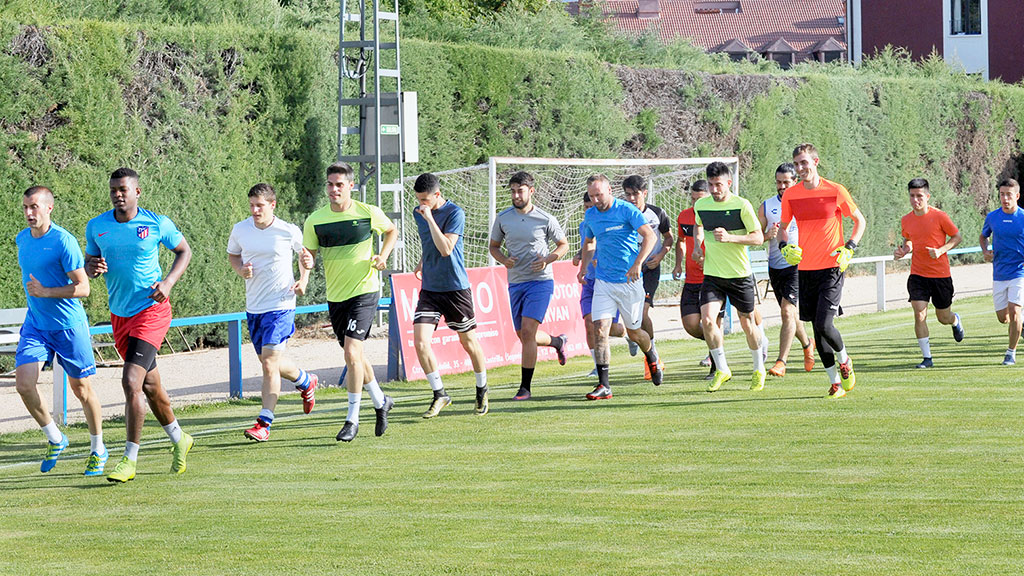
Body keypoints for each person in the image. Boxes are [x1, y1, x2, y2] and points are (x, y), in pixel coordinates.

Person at [85, 167, 194, 482]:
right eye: (113, 190)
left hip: (151, 310)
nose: (118, 194)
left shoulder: (156, 223)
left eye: (123, 189)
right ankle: (179, 438)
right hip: (120, 315)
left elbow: (184, 250)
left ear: (137, 192)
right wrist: (91, 266)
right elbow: (91, 264)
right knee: (150, 385)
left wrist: (169, 282)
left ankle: (129, 460)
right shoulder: (97, 227)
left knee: (131, 382)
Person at [15, 186, 106, 476]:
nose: (29, 213)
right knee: (24, 384)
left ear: (49, 208)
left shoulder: (63, 241)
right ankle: (56, 438)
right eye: (26, 207)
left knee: (81, 389)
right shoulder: (21, 240)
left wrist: (45, 292)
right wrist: (38, 299)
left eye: (35, 207)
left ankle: (98, 448)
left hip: (69, 327)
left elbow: (83, 288)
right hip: (36, 325)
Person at [303, 162, 398, 441]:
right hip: (336, 296)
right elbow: (308, 253)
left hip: (364, 291)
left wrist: (383, 256)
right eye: (330, 184)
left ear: (351, 186)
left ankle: (352, 419)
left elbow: (391, 231)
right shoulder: (315, 220)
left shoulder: (368, 213)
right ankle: (381, 401)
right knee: (354, 355)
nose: (334, 189)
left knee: (352, 353)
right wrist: (306, 267)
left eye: (339, 185)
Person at [228, 183, 319, 442]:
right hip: (254, 306)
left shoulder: (287, 230)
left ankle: (264, 422)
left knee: (269, 363)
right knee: (271, 363)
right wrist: (240, 270)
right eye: (252, 205)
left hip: (281, 304)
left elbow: (305, 256)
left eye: (260, 205)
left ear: (272, 205)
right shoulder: (240, 229)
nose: (255, 210)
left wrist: (304, 279)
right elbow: (233, 255)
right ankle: (305, 381)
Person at [778, 143, 867, 398]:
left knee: (824, 324)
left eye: (804, 163)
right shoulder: (791, 195)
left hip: (832, 267)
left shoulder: (835, 190)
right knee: (817, 330)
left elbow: (860, 221)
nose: (800, 168)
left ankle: (845, 359)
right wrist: (785, 246)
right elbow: (783, 228)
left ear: (815, 162)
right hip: (805, 269)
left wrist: (849, 247)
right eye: (796, 164)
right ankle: (835, 384)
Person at [577, 174, 661, 401]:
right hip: (603, 281)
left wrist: (638, 264)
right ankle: (604, 385)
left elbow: (650, 236)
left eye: (599, 195)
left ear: (610, 190)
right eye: (592, 196)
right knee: (600, 329)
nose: (596, 200)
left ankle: (651, 353)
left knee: (635, 332)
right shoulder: (591, 215)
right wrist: (584, 267)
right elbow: (589, 241)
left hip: (629, 281)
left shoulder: (626, 210)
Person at [412, 173, 489, 418]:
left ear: (437, 194)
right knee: (421, 342)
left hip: (455, 288)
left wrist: (430, 218)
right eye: (418, 200)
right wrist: (422, 261)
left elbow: (446, 249)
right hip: (430, 289)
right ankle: (440, 394)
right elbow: (429, 243)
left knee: (468, 342)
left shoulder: (456, 213)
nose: (421, 204)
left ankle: (482, 388)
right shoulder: (419, 212)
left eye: (425, 199)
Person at [488, 171, 570, 400]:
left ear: (531, 191)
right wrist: (504, 260)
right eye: (513, 191)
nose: (516, 195)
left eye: (520, 191)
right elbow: (493, 246)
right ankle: (557, 341)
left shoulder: (545, 218)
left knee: (527, 331)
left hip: (540, 282)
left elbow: (563, 244)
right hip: (516, 283)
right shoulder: (503, 218)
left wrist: (547, 260)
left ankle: (525, 388)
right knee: (524, 336)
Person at [692, 162, 766, 392]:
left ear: (729, 183)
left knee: (747, 324)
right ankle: (722, 369)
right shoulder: (702, 205)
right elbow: (698, 225)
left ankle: (758, 368)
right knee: (707, 321)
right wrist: (697, 245)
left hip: (739, 274)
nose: (715, 190)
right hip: (713, 274)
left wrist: (730, 238)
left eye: (719, 185)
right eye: (711, 185)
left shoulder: (742, 205)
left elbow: (758, 238)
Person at [893, 178, 965, 368]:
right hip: (918, 274)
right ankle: (927, 358)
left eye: (919, 196)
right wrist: (904, 250)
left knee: (943, 317)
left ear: (927, 196)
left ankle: (955, 320)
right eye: (912, 196)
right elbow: (908, 240)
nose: (915, 200)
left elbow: (957, 236)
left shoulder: (940, 216)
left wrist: (941, 250)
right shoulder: (906, 219)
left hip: (940, 276)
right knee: (919, 313)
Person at [757, 163, 815, 377]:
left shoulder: (805, 203)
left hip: (798, 265)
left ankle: (781, 361)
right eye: (779, 182)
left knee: (787, 311)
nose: (782, 186)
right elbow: (755, 235)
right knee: (790, 314)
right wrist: (766, 236)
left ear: (795, 181)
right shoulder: (767, 206)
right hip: (775, 265)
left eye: (786, 182)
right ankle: (808, 344)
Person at [622, 175, 672, 380]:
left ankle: (651, 357)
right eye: (628, 194)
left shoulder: (657, 213)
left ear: (644, 193)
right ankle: (634, 336)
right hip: (628, 269)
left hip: (650, 268)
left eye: (635, 194)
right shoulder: (622, 214)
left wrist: (660, 256)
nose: (632, 198)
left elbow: (669, 238)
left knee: (643, 313)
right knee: (630, 317)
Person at [573, 191, 628, 377]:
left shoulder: (610, 223)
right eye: (586, 207)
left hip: (608, 281)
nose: (590, 210)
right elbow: (587, 245)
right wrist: (580, 257)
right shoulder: (584, 225)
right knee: (589, 323)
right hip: (589, 281)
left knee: (611, 328)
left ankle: (629, 335)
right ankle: (598, 366)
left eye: (592, 206)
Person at [672, 179, 724, 380]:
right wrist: (678, 263)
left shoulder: (715, 216)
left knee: (711, 321)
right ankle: (717, 342)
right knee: (691, 324)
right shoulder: (684, 217)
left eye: (699, 199)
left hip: (713, 277)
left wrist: (708, 259)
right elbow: (681, 241)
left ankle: (717, 367)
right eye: (693, 199)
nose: (695, 204)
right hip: (691, 279)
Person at [980, 178, 1024, 366]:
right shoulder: (992, 217)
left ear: (1017, 196)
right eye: (1001, 194)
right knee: (1003, 318)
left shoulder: (1023, 217)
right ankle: (1020, 323)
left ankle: (1010, 353)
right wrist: (985, 250)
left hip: (1019, 272)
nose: (1005, 198)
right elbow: (983, 236)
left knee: (1014, 311)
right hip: (999, 273)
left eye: (1008, 195)